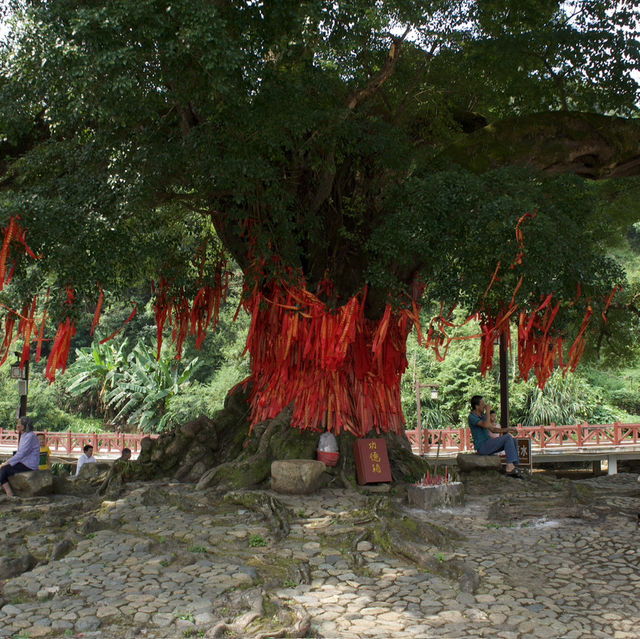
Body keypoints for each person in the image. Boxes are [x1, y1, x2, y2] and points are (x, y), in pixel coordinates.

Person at [468, 395, 523, 478]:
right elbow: (486, 425)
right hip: (482, 446)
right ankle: (509, 467)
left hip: (488, 443)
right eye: (483, 404)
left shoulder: (483, 416)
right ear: (477, 406)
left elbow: (493, 429)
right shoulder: (472, 417)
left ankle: (515, 467)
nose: (485, 406)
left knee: (512, 439)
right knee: (507, 437)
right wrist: (488, 411)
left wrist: (509, 429)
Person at [0, 416, 40, 498]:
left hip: (29, 464)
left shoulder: (30, 436)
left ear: (24, 426)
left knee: (4, 470)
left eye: (19, 424)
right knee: (3, 470)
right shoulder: (24, 435)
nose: (17, 425)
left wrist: (6, 463)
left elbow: (21, 453)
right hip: (23, 462)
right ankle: (9, 492)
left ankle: (9, 494)